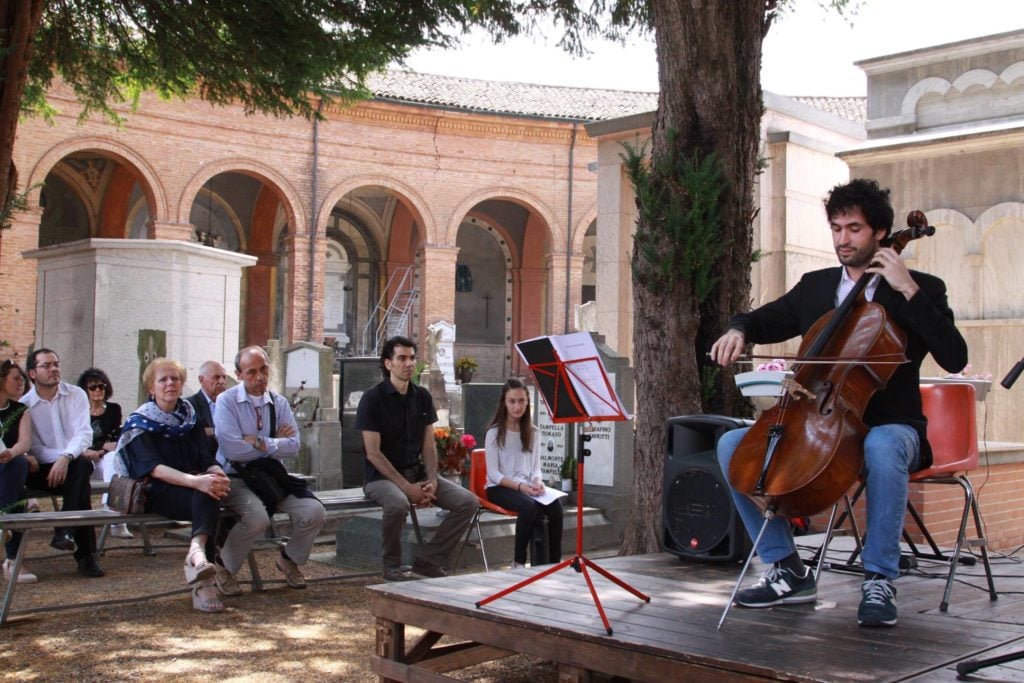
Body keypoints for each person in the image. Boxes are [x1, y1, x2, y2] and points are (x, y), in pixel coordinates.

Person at [709, 178, 968, 628]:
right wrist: (738, 331)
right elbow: (760, 319)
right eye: (836, 228)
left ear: (881, 233)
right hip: (820, 419)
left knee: (882, 447)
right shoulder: (816, 287)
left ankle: (879, 577)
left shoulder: (920, 287)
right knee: (732, 446)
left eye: (854, 228)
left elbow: (955, 356)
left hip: (893, 426)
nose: (843, 239)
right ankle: (787, 569)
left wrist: (909, 291)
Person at [356, 335, 478, 581]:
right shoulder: (372, 399)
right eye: (401, 358)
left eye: (412, 358)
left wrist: (432, 479)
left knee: (468, 502)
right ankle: (391, 565)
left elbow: (429, 446)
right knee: (398, 503)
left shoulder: (422, 396)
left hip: (418, 473)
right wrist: (406, 487)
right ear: (388, 363)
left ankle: (430, 559)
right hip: (381, 478)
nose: (408, 363)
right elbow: (373, 452)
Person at [118, 358, 231, 612]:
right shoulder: (139, 423)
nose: (170, 383)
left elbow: (206, 459)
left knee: (211, 489)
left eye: (175, 379)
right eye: (163, 379)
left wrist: (216, 472)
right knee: (206, 491)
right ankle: (203, 581)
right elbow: (153, 468)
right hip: (156, 492)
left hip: (195, 489)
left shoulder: (191, 419)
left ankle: (196, 553)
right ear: (151, 388)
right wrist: (197, 481)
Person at [213, 346, 325, 595]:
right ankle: (223, 566)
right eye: (251, 372)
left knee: (314, 511)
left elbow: (294, 446)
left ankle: (288, 558)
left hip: (270, 476)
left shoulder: (279, 402)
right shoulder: (226, 401)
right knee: (257, 518)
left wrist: (259, 440)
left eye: (263, 369)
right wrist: (275, 442)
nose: (259, 377)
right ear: (239, 374)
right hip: (236, 476)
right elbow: (232, 450)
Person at [22, 349, 104, 577]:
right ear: (32, 373)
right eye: (46, 365)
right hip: (42, 469)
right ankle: (85, 555)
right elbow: (34, 448)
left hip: (72, 464)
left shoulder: (76, 394)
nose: (54, 369)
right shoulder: (25, 405)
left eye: (56, 364)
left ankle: (66, 531)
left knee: (80, 469)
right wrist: (62, 458)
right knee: (80, 482)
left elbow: (84, 434)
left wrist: (66, 457)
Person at [484, 378, 563, 568]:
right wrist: (521, 487)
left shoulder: (534, 432)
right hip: (499, 487)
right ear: (504, 402)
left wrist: (537, 481)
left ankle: (553, 564)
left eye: (521, 401)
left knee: (556, 507)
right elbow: (493, 473)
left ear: (528, 402)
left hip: (526, 486)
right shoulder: (494, 433)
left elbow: (535, 466)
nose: (517, 406)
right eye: (512, 401)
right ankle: (518, 562)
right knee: (529, 507)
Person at [76, 367, 130, 539]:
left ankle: (113, 515)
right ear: (85, 390)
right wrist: (98, 447)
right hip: (83, 457)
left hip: (103, 457)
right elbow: (78, 437)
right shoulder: (78, 411)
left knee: (114, 459)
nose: (98, 390)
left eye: (101, 386)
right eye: (92, 387)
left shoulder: (114, 409)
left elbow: (114, 436)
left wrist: (101, 448)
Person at [0, 359, 38, 583]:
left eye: (23, 378)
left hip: (7, 469)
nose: (21, 382)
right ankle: (14, 559)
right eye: (16, 377)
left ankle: (3, 520)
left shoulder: (21, 410)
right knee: (18, 495)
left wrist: (11, 454)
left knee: (19, 464)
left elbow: (24, 442)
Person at [186, 360, 228, 454]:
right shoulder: (189, 405)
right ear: (201, 380)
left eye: (224, 377)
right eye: (216, 377)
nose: (222, 381)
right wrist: (218, 431)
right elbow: (193, 434)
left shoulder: (230, 404)